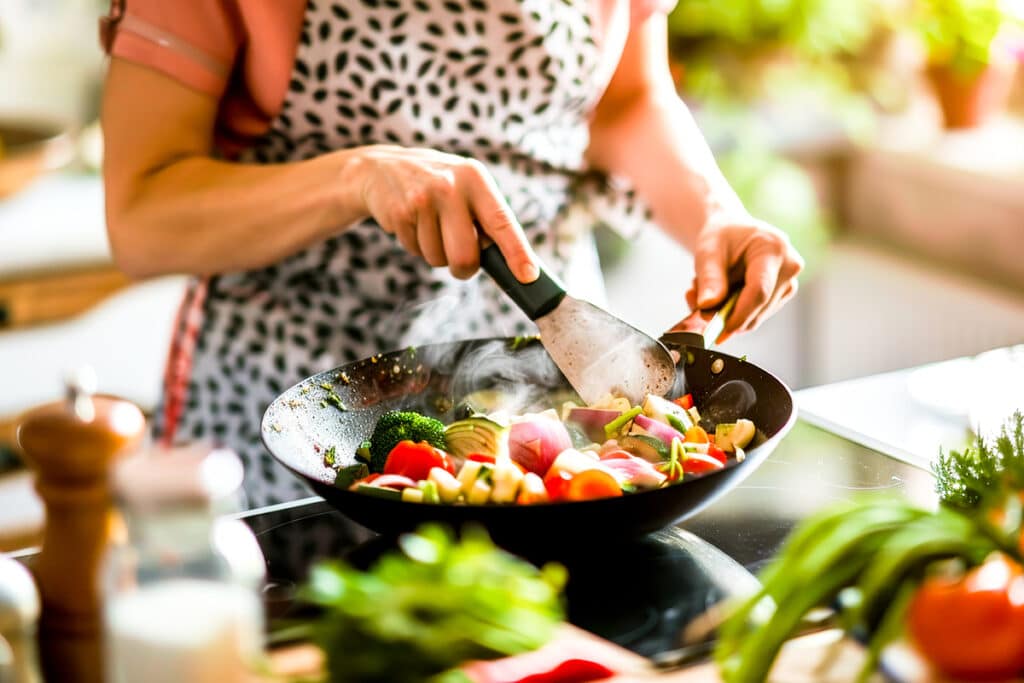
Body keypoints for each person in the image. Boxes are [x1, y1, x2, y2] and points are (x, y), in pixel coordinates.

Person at [99, 0, 803, 508]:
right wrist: (356, 175)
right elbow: (142, 216)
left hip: (556, 363)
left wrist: (717, 215)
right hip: (299, 404)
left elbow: (627, 98)